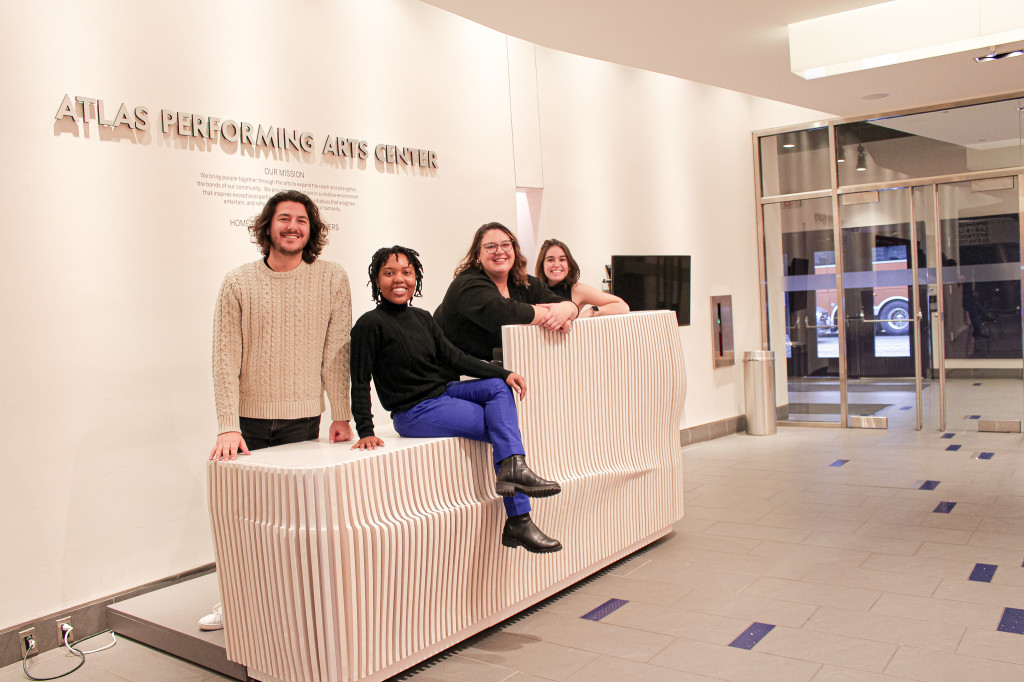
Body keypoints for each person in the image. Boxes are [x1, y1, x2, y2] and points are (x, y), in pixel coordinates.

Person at [201, 190, 353, 630]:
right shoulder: (238, 282)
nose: (293, 227)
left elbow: (337, 352)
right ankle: (236, 598)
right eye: (284, 219)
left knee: (298, 521)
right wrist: (228, 426)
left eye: (301, 220)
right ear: (268, 226)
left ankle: (291, 605)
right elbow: (224, 358)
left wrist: (340, 413)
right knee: (243, 518)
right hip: (247, 424)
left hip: (304, 421)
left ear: (312, 229)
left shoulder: (332, 278)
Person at [351, 245, 562, 553]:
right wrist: (365, 430)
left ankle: (515, 479)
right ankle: (520, 519)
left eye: (407, 272)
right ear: (377, 280)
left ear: (416, 279)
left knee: (497, 387)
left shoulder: (422, 317)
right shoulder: (370, 324)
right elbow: (359, 379)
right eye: (389, 273)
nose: (400, 279)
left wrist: (504, 374)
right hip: (415, 411)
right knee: (502, 430)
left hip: (444, 391)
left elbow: (455, 357)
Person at [434, 223, 579, 366]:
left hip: (498, 371)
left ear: (514, 250)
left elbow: (561, 303)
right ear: (478, 254)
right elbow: (507, 313)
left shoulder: (524, 282)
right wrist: (556, 316)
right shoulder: (468, 285)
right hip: (457, 377)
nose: (500, 251)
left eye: (505, 245)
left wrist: (567, 309)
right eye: (490, 246)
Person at [536, 238, 629, 317]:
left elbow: (622, 306)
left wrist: (591, 311)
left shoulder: (577, 290)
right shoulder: (534, 289)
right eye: (550, 260)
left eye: (562, 259)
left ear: (569, 266)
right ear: (542, 265)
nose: (556, 264)